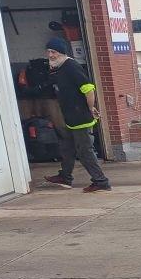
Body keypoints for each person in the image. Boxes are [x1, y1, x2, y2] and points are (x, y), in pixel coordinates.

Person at [42, 38, 111, 193]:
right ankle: (65, 176)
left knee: (85, 151)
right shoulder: (59, 68)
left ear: (61, 52)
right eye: (49, 52)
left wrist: (91, 108)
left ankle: (101, 181)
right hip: (71, 117)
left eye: (54, 52)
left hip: (80, 117)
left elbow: (88, 88)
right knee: (67, 147)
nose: (50, 55)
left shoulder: (71, 66)